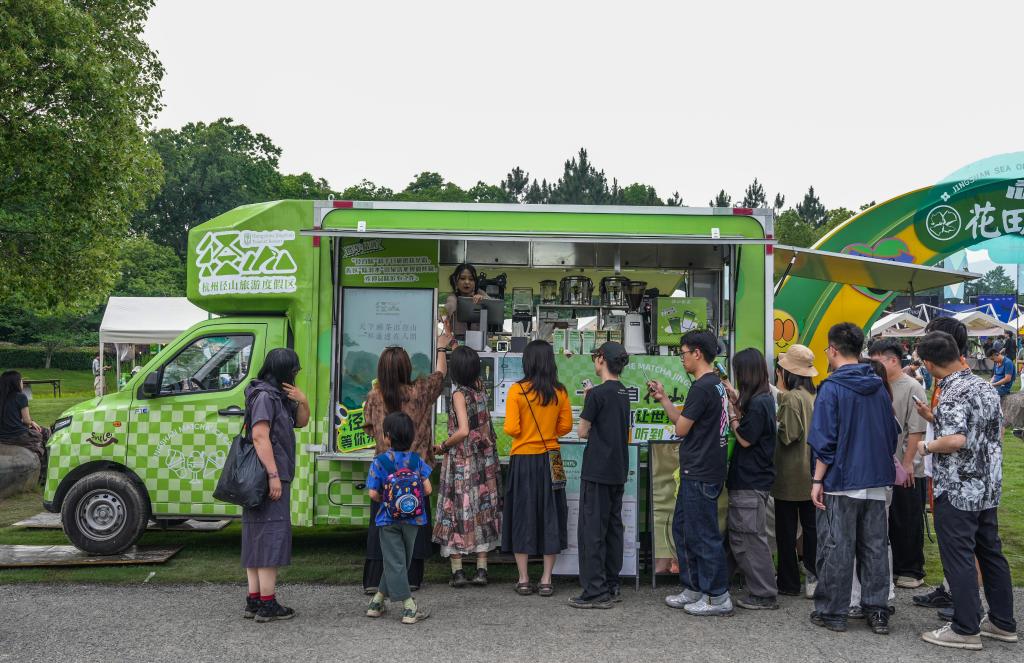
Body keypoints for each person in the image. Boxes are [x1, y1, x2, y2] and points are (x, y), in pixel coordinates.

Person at [915, 331, 1018, 649]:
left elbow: (956, 440)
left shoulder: (951, 392)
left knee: (958, 555)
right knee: (990, 552)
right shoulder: (983, 386)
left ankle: (965, 627)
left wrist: (926, 446)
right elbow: (987, 430)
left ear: (929, 364)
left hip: (958, 487)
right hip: (987, 485)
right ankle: (1002, 621)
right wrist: (935, 418)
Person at [808, 322, 898, 635]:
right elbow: (891, 433)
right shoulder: (878, 386)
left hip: (842, 479)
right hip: (876, 477)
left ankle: (833, 611)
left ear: (833, 350)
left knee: (837, 546)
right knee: (875, 547)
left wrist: (817, 481)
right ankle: (877, 611)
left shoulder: (831, 388)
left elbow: (825, 440)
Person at [362, 330, 451, 594]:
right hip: (415, 471)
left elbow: (369, 429)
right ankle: (411, 578)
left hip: (385, 471)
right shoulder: (420, 391)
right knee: (414, 523)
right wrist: (442, 347)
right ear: (407, 368)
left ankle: (375, 580)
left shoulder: (374, 396)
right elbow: (440, 374)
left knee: (381, 525)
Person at [651, 329, 732, 617]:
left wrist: (674, 413)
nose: (682, 358)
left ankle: (718, 596)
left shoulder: (703, 387)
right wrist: (663, 398)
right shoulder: (715, 384)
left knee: (703, 534)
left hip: (700, 469)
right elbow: (684, 421)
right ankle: (694, 587)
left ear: (697, 353)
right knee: (684, 529)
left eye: (683, 353)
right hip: (701, 468)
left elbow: (681, 428)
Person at [241, 348, 310, 623]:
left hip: (260, 477)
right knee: (269, 537)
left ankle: (255, 600)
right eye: (294, 370)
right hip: (267, 477)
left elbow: (301, 422)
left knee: (256, 536)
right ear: (284, 370)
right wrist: (273, 475)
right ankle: (267, 604)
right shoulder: (266, 397)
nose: (296, 374)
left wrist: (303, 401)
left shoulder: (275, 396)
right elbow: (260, 436)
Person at [503, 340, 573, 597]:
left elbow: (512, 428)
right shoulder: (560, 391)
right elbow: (565, 427)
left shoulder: (517, 391)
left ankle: (523, 579)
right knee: (552, 514)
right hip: (552, 457)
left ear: (528, 362)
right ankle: (546, 579)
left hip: (523, 457)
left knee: (522, 514)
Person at [431, 346, 502, 588]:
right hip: (484, 460)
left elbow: (462, 430)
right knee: (482, 510)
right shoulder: (480, 392)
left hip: (462, 460)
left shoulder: (459, 395)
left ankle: (458, 571)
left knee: (456, 509)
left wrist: (443, 446)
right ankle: (482, 570)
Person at [912, 315, 969, 612]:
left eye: (930, 335)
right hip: (941, 465)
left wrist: (928, 446)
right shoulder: (944, 379)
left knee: (961, 538)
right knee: (949, 534)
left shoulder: (958, 382)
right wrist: (932, 419)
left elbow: (960, 434)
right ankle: (950, 589)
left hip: (954, 470)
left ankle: (965, 604)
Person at [569, 342, 631, 609]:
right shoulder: (623, 392)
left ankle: (595, 590)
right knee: (613, 529)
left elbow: (582, 432)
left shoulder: (596, 394)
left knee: (592, 531)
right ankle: (611, 584)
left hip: (597, 470)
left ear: (602, 359)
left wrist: (588, 400)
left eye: (596, 356)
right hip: (618, 469)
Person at [868, 339, 928, 590]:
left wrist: (908, 463)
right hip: (881, 466)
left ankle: (911, 570)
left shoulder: (912, 387)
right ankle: (891, 568)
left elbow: (916, 430)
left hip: (906, 465)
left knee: (907, 518)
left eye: (876, 360)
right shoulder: (875, 384)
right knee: (886, 519)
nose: (872, 365)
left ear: (893, 360)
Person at [365, 412, 434, 625]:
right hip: (413, 520)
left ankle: (382, 603)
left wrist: (387, 500)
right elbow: (428, 490)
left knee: (395, 561)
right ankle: (407, 605)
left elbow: (372, 493)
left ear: (387, 437)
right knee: (399, 561)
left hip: (387, 520)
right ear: (411, 437)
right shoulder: (416, 460)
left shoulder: (380, 462)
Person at [725, 348, 779, 610]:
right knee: (744, 535)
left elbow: (745, 438)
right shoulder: (763, 399)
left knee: (749, 538)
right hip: (755, 479)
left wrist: (732, 416)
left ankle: (764, 593)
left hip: (750, 480)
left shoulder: (759, 404)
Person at [770, 345, 818, 599]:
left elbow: (788, 435)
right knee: (812, 529)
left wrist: (773, 424)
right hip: (812, 473)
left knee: (786, 532)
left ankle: (788, 582)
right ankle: (814, 576)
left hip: (790, 474)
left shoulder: (791, 398)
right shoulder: (813, 395)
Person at [0, 370, 50, 482]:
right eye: (21, 380)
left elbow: (12, 417)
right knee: (44, 433)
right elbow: (26, 420)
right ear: (15, 383)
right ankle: (43, 475)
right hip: (17, 436)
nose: (23, 382)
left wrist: (30, 422)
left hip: (2, 436)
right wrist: (31, 422)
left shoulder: (2, 397)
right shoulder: (20, 397)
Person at [444, 263, 490, 337]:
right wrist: (444, 313)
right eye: (462, 278)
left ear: (475, 282)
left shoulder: (481, 293)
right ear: (455, 281)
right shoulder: (453, 297)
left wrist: (483, 300)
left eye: (471, 279)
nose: (467, 282)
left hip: (480, 339)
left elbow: (493, 306)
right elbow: (449, 305)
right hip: (457, 340)